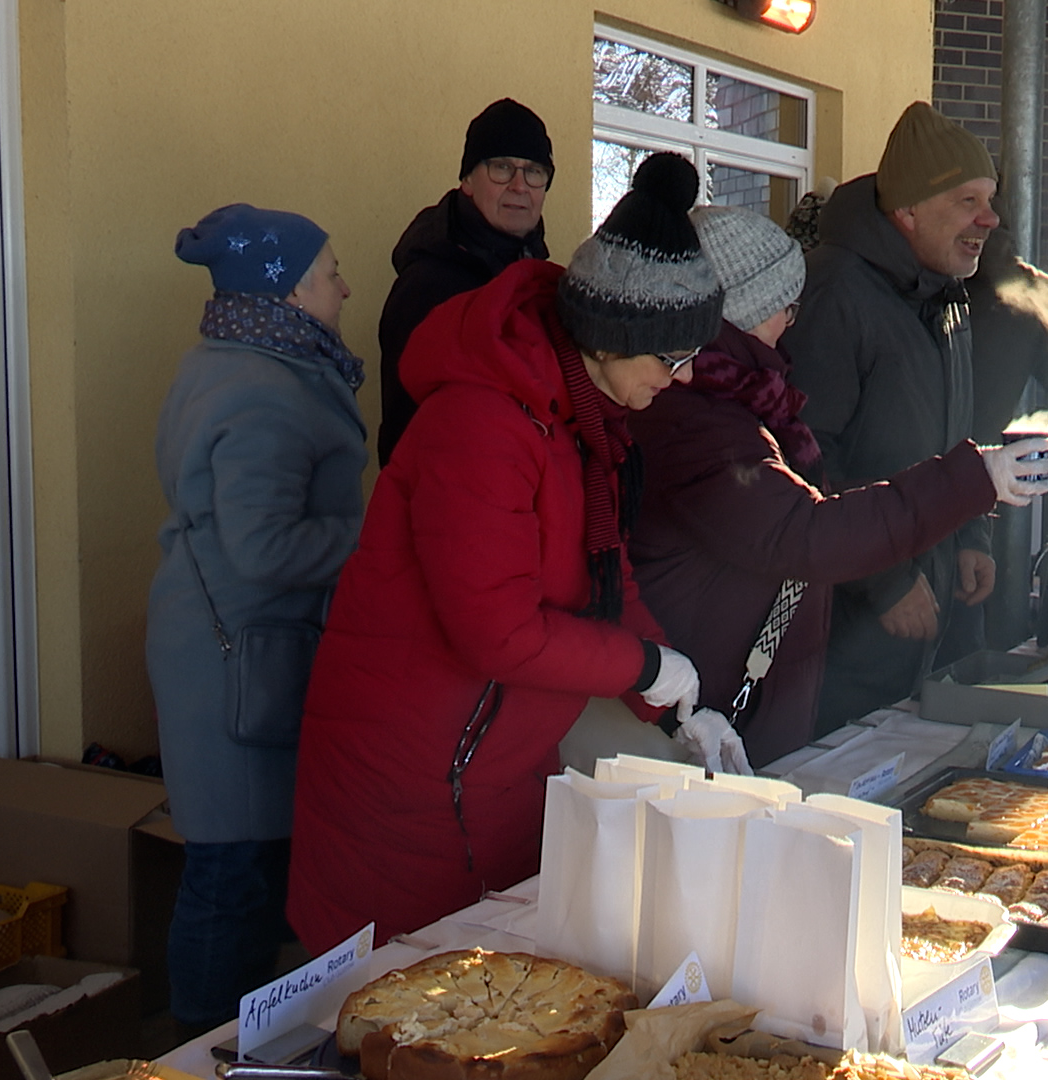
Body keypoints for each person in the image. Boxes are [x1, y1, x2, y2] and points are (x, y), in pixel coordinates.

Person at [287, 153, 735, 955]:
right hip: (409, 786)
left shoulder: (582, 421)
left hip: (492, 769)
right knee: (407, 1017)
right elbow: (494, 630)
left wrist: (673, 698)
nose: (685, 376)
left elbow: (605, 574)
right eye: (671, 358)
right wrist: (640, 666)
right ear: (610, 338)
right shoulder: (485, 425)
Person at [628, 204, 1048, 766]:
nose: (793, 321)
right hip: (703, 717)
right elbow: (807, 532)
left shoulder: (747, 403)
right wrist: (973, 480)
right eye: (785, 305)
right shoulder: (697, 421)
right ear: (742, 311)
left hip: (743, 703)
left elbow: (804, 511)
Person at [150, 204, 367, 1029]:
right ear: (286, 289)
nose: (345, 288)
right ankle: (196, 1050)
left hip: (230, 648)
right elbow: (265, 546)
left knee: (235, 864)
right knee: (231, 874)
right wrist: (377, 541)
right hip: (237, 659)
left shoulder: (232, 358)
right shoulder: (266, 389)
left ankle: (224, 1039)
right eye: (330, 273)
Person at [782, 101, 1001, 729]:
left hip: (926, 601)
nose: (989, 219)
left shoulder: (945, 296)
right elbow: (805, 455)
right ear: (906, 210)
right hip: (844, 622)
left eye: (988, 199)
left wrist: (968, 533)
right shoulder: (835, 293)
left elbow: (955, 437)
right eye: (967, 201)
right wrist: (885, 581)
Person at [377, 98, 554, 466]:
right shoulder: (429, 286)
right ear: (467, 180)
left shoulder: (539, 279)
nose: (520, 186)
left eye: (534, 171)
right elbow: (407, 429)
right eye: (502, 168)